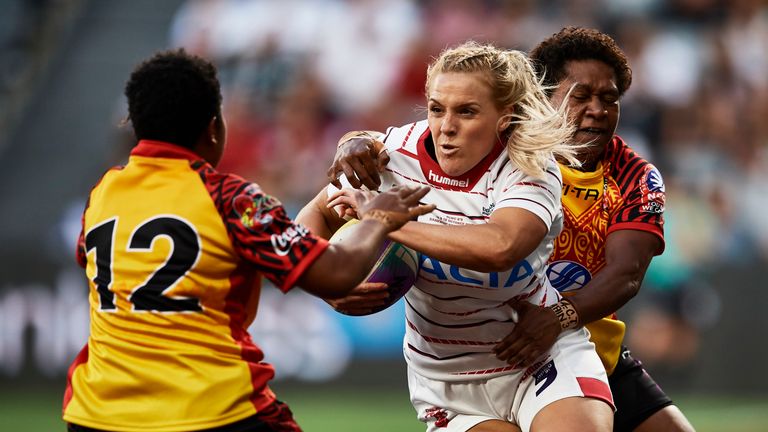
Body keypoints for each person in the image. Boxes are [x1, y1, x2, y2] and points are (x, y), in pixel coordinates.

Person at [327, 27, 695, 432]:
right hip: (460, 365)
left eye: (609, 99)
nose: (597, 110)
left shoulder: (626, 176)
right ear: (542, 98)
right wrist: (354, 141)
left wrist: (558, 317)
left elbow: (624, 273)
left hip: (574, 345)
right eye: (581, 96)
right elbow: (374, 166)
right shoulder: (483, 149)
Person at [61, 48, 434, 432]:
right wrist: (378, 219)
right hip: (210, 411)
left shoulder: (101, 196)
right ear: (214, 128)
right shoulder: (231, 199)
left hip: (96, 413)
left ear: (133, 124)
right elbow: (335, 273)